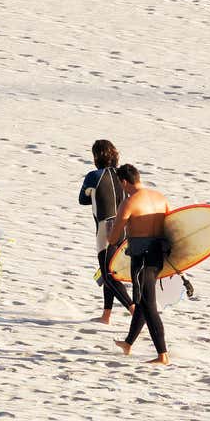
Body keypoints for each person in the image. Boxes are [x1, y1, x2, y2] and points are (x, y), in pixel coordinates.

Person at [107, 164, 170, 365]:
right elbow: (173, 225)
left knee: (148, 304)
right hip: (159, 256)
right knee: (143, 300)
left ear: (124, 182)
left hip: (141, 258)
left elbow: (114, 237)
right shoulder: (160, 197)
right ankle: (128, 343)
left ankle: (162, 355)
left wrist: (110, 235)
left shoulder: (129, 203)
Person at [78, 140, 134, 324]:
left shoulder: (93, 176)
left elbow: (82, 199)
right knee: (109, 270)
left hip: (106, 227)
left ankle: (133, 309)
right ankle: (106, 315)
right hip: (126, 228)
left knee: (108, 273)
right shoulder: (122, 175)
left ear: (96, 157)